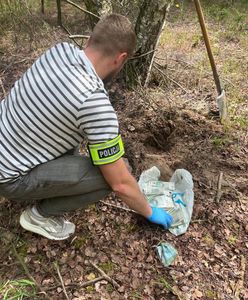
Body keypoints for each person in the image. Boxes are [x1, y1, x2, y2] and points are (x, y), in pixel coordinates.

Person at [0, 14, 173, 240]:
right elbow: (120, 183)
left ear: (90, 39)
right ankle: (39, 216)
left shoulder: (59, 51)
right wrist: (150, 212)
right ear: (121, 59)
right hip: (9, 177)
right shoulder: (94, 103)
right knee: (108, 178)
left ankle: (44, 188)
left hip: (9, 143)